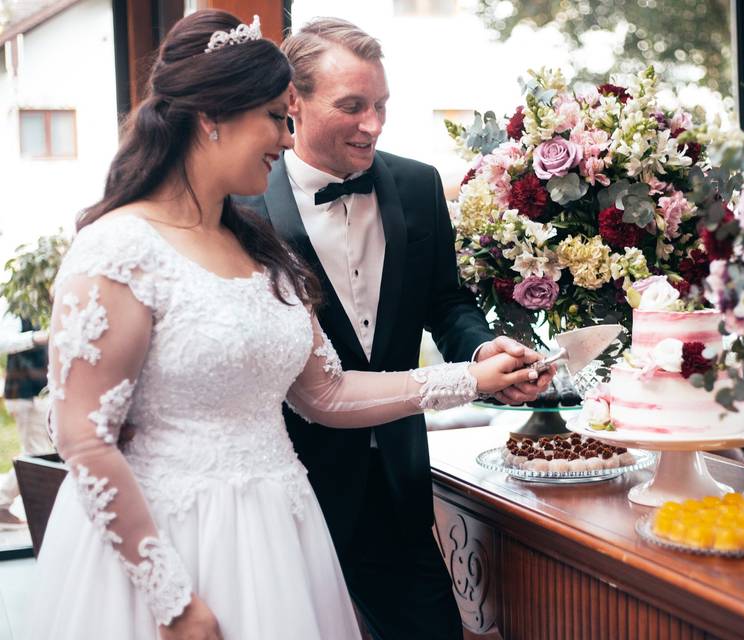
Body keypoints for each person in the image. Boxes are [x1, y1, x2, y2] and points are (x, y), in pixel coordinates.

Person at [30, 11, 544, 639]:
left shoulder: (258, 248)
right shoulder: (117, 247)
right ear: (212, 115)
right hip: (179, 540)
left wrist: (474, 377)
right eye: (275, 116)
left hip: (284, 541)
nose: (283, 133)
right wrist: (174, 602)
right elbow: (82, 436)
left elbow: (327, 391)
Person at [234, 17, 553, 639]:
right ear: (293, 102)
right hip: (290, 484)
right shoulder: (240, 206)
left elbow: (446, 303)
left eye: (381, 105)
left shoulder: (417, 184)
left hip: (398, 480)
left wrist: (484, 348)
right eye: (352, 106)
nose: (373, 124)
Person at [0, 316, 54, 529]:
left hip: (39, 393)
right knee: (37, 455)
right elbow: (3, 341)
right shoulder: (15, 306)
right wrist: (35, 338)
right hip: (26, 394)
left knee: (36, 453)